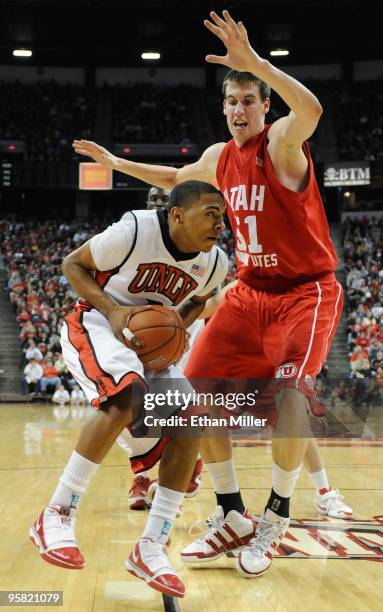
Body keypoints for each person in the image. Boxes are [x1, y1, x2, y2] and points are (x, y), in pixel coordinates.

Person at [73, 9, 344, 579]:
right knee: (195, 396)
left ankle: (274, 518)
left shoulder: (283, 145)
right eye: (233, 101)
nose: (241, 109)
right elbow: (176, 182)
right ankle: (232, 513)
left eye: (250, 99)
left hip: (305, 290)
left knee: (292, 396)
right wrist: (118, 163)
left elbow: (312, 110)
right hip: (251, 290)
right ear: (223, 109)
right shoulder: (221, 159)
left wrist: (256, 65)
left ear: (264, 106)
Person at [29, 180, 228, 599]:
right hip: (99, 323)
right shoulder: (135, 229)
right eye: (211, 213)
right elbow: (72, 265)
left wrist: (178, 330)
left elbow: (196, 301)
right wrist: (115, 310)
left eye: (222, 216)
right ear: (178, 214)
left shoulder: (215, 264)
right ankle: (56, 514)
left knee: (194, 418)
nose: (220, 223)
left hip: (145, 344)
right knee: (126, 396)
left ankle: (152, 543)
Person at [119, 185, 204, 511]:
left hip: (184, 327)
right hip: (145, 330)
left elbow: (209, 295)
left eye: (162, 200)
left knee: (182, 408)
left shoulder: (198, 241)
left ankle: (182, 470)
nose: (156, 204)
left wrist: (181, 326)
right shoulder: (134, 236)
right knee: (124, 402)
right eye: (152, 199)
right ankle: (141, 474)